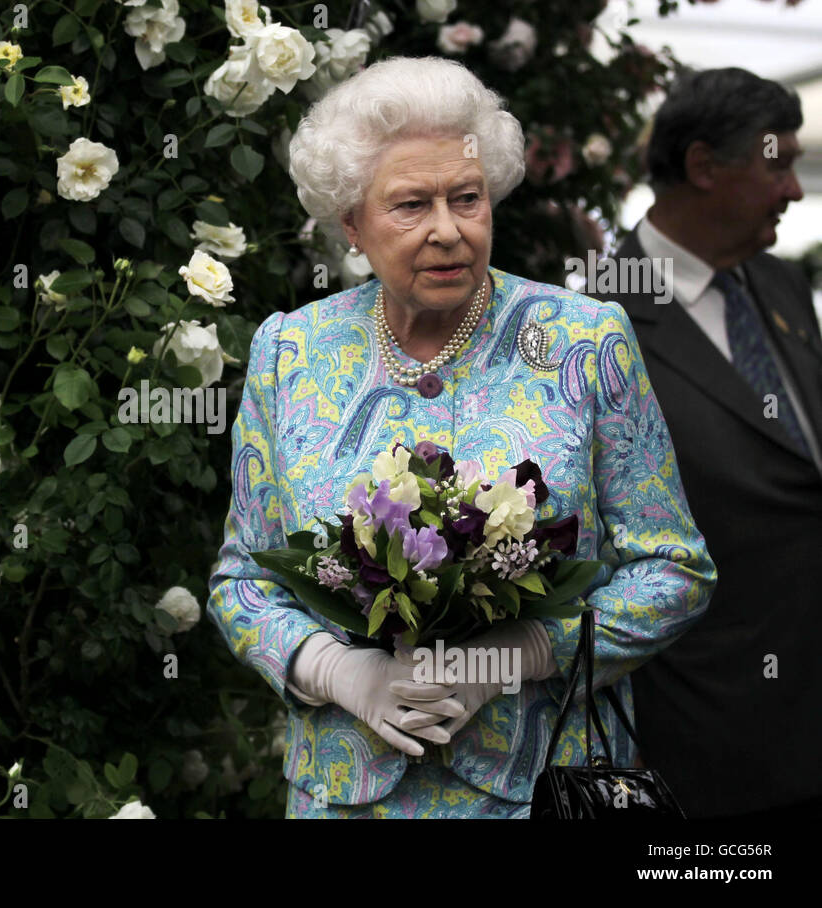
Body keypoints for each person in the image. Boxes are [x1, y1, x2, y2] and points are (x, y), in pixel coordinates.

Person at [205, 56, 716, 818]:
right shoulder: (290, 351)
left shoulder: (584, 341)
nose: (448, 230)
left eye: (467, 199)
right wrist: (342, 673)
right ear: (351, 222)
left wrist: (516, 657)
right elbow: (244, 582)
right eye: (411, 205)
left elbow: (675, 572)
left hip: (541, 791)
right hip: (344, 796)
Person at [593, 67, 822, 819]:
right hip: (701, 740)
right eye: (776, 164)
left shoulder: (779, 284)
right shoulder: (596, 317)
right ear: (701, 166)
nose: (793, 190)